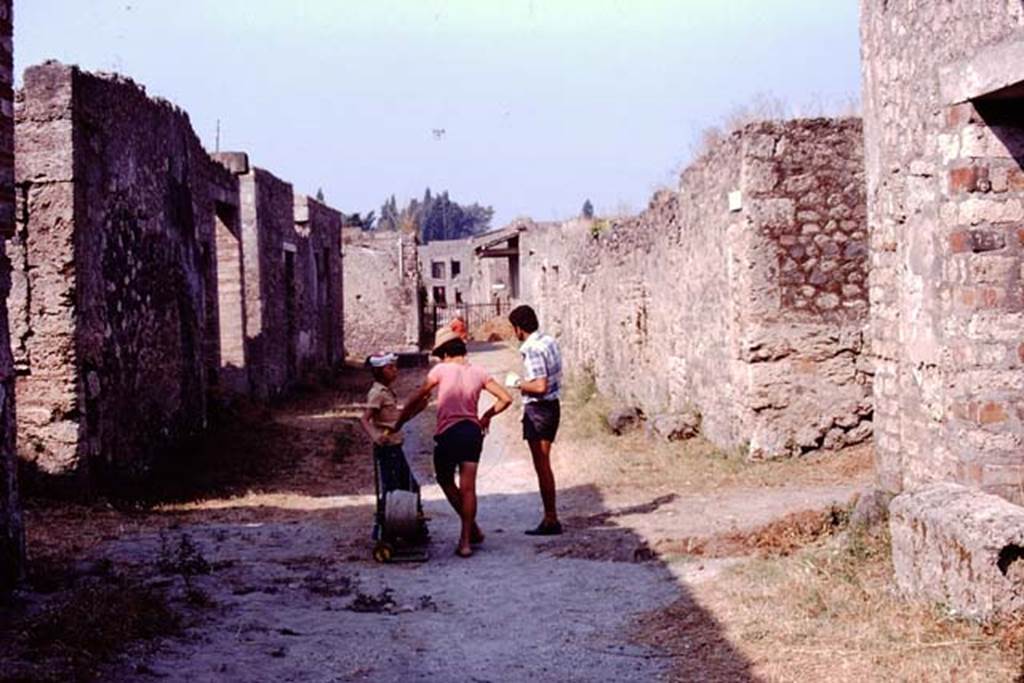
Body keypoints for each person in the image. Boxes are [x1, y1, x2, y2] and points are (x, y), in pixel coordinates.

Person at [397, 327, 512, 557]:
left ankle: (472, 531)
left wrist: (400, 421)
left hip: (448, 433)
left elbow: (419, 397)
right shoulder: (479, 372)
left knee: (445, 480)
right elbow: (506, 398)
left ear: (445, 353)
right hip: (472, 432)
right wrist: (486, 416)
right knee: (468, 488)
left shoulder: (440, 369)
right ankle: (467, 539)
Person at [508, 305, 563, 536]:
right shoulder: (549, 341)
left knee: (542, 466)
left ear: (519, 328)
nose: (514, 333)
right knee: (544, 465)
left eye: (514, 328)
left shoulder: (530, 348)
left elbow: (539, 386)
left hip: (539, 409)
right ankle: (550, 516)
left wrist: (517, 383)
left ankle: (551, 518)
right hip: (552, 406)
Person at [360, 352, 422, 541]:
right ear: (379, 371)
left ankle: (410, 525)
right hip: (388, 449)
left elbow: (396, 420)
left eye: (395, 366)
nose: (395, 370)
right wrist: (376, 436)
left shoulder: (387, 391)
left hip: (395, 446)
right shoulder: (377, 393)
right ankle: (390, 529)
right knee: (393, 490)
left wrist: (418, 408)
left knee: (409, 486)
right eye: (390, 367)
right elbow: (365, 419)